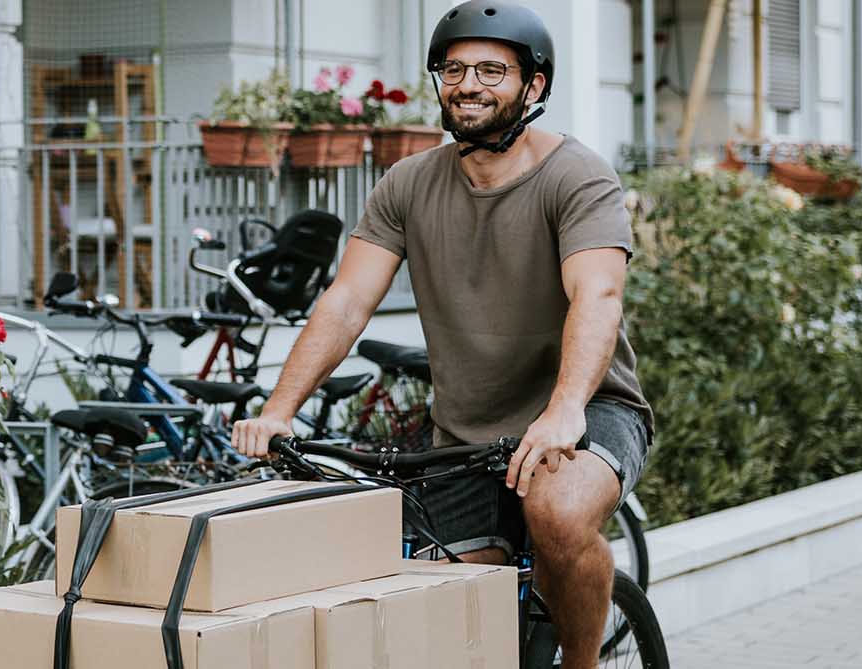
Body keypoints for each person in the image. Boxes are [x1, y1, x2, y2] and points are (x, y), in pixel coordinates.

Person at [229, 2, 653, 667]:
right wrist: (279, 407)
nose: (469, 84)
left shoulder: (577, 176)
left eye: (492, 69)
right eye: (453, 68)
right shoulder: (406, 183)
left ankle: (582, 662)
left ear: (533, 86)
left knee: (560, 514)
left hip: (589, 410)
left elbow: (597, 296)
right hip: (466, 432)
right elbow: (345, 303)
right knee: (451, 604)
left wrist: (564, 409)